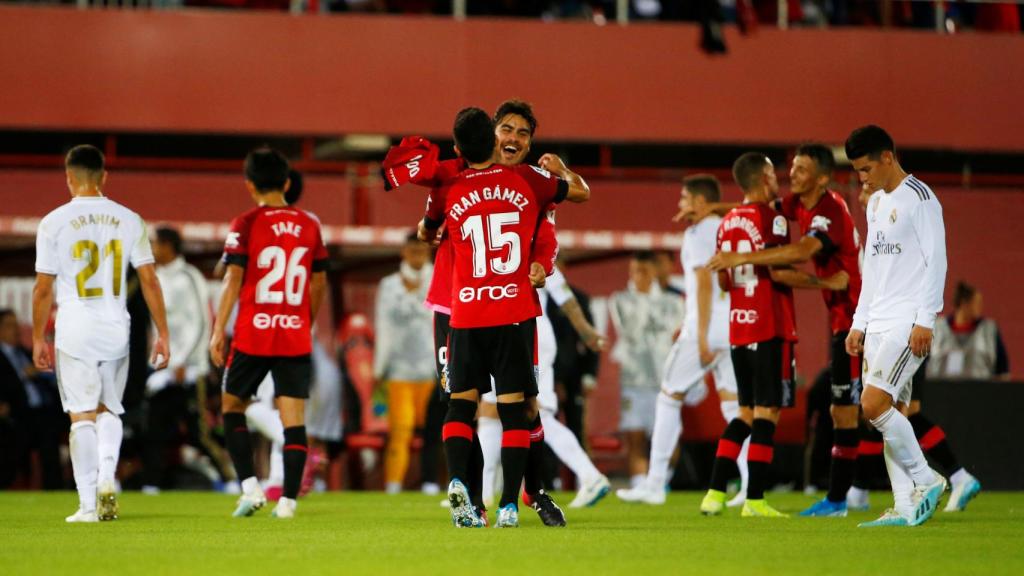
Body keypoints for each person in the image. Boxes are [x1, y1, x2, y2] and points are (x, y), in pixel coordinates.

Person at [421, 106, 589, 528]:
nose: (514, 137)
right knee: (462, 401)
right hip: (453, 303)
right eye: (506, 129)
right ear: (492, 135)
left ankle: (531, 490)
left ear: (531, 142)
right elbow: (429, 226)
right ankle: (477, 500)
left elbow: (549, 233)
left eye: (524, 133)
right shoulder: (460, 172)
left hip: (503, 303)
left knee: (526, 406)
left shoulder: (534, 181)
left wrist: (541, 265)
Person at [707, 144, 861, 517]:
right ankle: (838, 497)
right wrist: (712, 209)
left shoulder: (828, 209)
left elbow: (801, 250)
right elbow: (769, 230)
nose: (791, 176)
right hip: (784, 326)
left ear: (822, 178)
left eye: (801, 170)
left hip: (861, 318)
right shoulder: (793, 207)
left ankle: (863, 492)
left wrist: (730, 239)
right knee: (785, 412)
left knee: (869, 409)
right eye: (789, 169)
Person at [32, 144, 171, 522]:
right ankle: (109, 475)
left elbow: (43, 288)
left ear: (68, 178)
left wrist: (36, 338)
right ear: (104, 177)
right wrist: (163, 333)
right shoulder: (130, 219)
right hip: (116, 327)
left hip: (75, 328)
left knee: (81, 416)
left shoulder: (53, 222)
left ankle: (88, 504)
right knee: (111, 408)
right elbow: (149, 280)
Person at [209, 147, 329, 519]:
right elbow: (319, 281)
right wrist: (303, 319)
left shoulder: (245, 222)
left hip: (254, 333)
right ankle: (289, 502)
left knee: (231, 407)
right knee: (293, 418)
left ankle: (250, 487)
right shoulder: (309, 225)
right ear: (288, 182)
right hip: (293, 333)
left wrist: (218, 331)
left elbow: (232, 278)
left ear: (249, 185)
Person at [617, 174, 745, 506]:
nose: (680, 205)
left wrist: (700, 336)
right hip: (730, 325)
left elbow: (703, 281)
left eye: (685, 199)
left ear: (701, 202)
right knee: (733, 406)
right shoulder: (726, 224)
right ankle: (749, 485)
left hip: (706, 327)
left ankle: (655, 483)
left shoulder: (699, 232)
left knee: (668, 397)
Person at [843, 125, 948, 527]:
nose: (862, 178)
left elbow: (937, 262)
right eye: (857, 171)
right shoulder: (874, 204)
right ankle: (905, 507)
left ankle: (927, 479)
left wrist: (925, 320)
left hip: (907, 321)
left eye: (867, 168)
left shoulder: (921, 200)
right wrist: (859, 322)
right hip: (878, 320)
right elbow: (871, 269)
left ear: (887, 157)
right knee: (892, 411)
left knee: (872, 404)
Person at [700, 152, 797, 518]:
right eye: (774, 174)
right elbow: (781, 268)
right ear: (762, 178)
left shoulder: (726, 223)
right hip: (769, 325)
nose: (778, 180)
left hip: (739, 327)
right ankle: (754, 499)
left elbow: (724, 278)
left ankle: (714, 492)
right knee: (766, 414)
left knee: (743, 412)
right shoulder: (773, 220)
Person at [141, 226, 213, 493]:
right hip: (162, 370)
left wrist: (182, 361)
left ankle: (231, 479)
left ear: (169, 246)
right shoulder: (153, 277)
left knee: (199, 433)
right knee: (155, 428)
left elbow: (200, 323)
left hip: (190, 369)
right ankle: (152, 484)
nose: (152, 249)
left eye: (155, 243)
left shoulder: (189, 276)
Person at [609, 251, 685, 489]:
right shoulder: (620, 300)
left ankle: (661, 482)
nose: (637, 276)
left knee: (669, 441)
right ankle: (640, 485)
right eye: (633, 271)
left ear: (655, 272)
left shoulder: (674, 303)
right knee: (635, 439)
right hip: (634, 380)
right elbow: (629, 330)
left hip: (664, 382)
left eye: (643, 271)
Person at [374, 231, 437, 494]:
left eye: (421, 251)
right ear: (403, 252)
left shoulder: (439, 278)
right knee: (401, 430)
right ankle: (394, 484)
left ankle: (432, 482)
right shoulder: (389, 285)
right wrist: (379, 368)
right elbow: (383, 326)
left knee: (436, 432)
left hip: (432, 368)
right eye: (413, 251)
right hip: (399, 369)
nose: (417, 257)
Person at [0, 309, 64, 490]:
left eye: (16, 325)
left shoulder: (27, 353)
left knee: (50, 432)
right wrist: (22, 375)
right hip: (15, 413)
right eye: (9, 325)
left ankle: (55, 490)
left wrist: (42, 374)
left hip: (42, 411)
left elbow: (48, 377)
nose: (15, 330)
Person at [928, 282, 1009, 380]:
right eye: (977, 303)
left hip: (980, 392)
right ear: (963, 303)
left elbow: (1002, 369)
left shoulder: (989, 330)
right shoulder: (937, 328)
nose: (980, 307)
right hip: (939, 391)